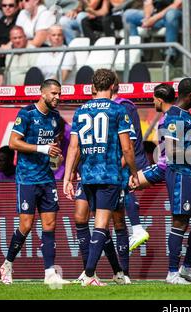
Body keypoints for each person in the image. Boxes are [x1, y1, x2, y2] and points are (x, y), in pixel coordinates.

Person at [63, 69, 139, 286]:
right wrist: (134, 173)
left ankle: (117, 272)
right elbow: (127, 148)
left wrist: (67, 177)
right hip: (109, 174)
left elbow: (73, 148)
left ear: (93, 87)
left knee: (98, 224)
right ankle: (88, 275)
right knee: (102, 226)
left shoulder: (80, 111)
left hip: (87, 175)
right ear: (114, 85)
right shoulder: (118, 110)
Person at [0, 79, 69, 285]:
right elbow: (13, 143)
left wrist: (55, 156)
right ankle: (7, 264)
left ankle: (49, 273)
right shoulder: (27, 114)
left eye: (59, 94)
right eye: (54, 93)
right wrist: (43, 148)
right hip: (27, 178)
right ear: (42, 93)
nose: (57, 97)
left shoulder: (56, 117)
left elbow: (53, 145)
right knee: (26, 225)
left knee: (50, 225)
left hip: (47, 178)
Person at [163, 78, 191, 284]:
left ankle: (185, 268)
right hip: (180, 174)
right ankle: (172, 272)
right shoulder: (173, 116)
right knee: (180, 222)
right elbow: (171, 152)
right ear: (190, 95)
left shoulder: (187, 116)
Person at [111, 78, 150, 251]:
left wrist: (119, 164)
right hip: (124, 160)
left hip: (130, 161)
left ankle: (137, 228)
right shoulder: (120, 106)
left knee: (123, 188)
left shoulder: (123, 105)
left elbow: (130, 143)